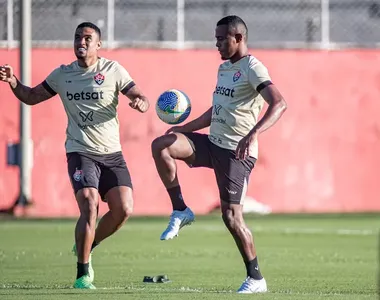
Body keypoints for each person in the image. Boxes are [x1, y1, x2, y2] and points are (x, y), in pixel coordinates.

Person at [0, 22, 150, 289]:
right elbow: (32, 96)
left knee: (124, 209)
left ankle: (87, 244)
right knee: (90, 204)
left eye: (88, 38)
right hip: (80, 152)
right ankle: (82, 274)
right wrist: (13, 81)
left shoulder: (113, 70)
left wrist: (140, 101)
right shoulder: (63, 75)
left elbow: (138, 94)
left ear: (98, 45)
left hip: (112, 154)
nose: (81, 41)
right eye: (78, 37)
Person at [151, 15, 287, 293]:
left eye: (221, 39)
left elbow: (279, 103)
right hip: (212, 144)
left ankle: (256, 279)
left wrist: (254, 134)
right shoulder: (225, 69)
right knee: (161, 145)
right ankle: (180, 210)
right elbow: (217, 110)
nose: (217, 44)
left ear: (238, 38)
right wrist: (184, 128)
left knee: (231, 218)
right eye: (215, 39)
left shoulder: (253, 67)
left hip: (236, 153)